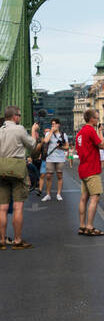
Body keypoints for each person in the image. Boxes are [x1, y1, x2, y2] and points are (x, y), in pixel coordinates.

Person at [0, 105, 40, 248]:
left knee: (2, 208)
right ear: (15, 116)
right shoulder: (19, 129)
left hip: (1, 169)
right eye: (19, 115)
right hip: (17, 170)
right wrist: (34, 132)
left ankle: (2, 241)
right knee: (17, 207)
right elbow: (32, 145)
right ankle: (17, 240)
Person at [74, 108, 104, 237]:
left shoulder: (80, 133)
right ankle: (90, 226)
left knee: (83, 198)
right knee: (95, 197)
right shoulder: (90, 130)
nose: (98, 120)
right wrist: (100, 132)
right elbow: (102, 145)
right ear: (92, 119)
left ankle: (82, 225)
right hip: (92, 168)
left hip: (83, 168)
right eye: (97, 118)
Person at [42, 119, 68, 201]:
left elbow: (67, 147)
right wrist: (51, 132)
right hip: (50, 158)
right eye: (52, 124)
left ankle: (59, 194)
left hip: (60, 158)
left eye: (54, 124)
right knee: (49, 176)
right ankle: (48, 194)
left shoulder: (63, 135)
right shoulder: (48, 133)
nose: (53, 126)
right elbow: (46, 141)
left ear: (58, 125)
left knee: (59, 176)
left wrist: (60, 147)